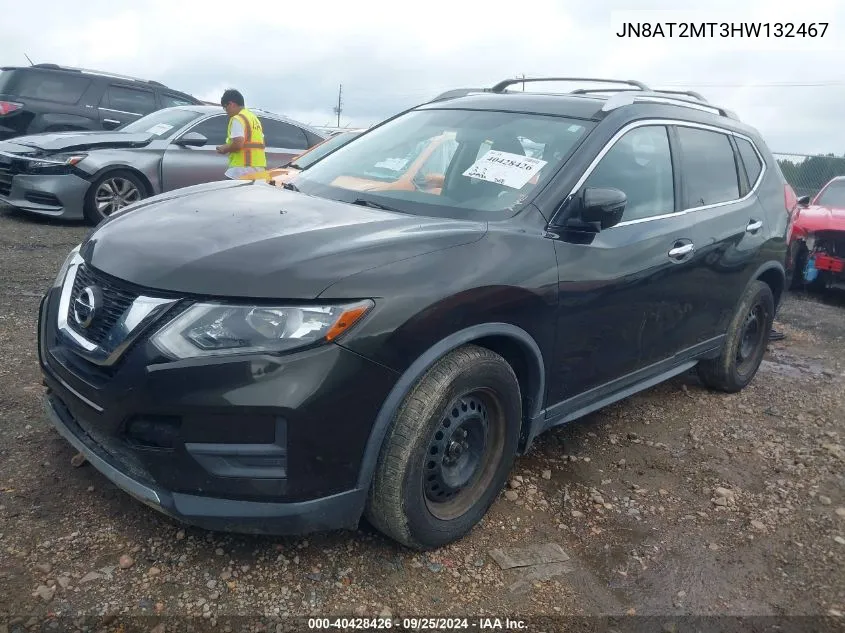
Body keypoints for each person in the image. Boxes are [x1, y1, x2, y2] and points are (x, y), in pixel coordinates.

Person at [216, 89, 267, 179]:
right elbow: (262, 142)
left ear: (231, 104)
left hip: (242, 170)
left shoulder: (238, 119)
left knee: (225, 192)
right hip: (258, 169)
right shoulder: (253, 118)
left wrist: (224, 148)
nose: (226, 111)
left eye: (225, 107)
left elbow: (238, 143)